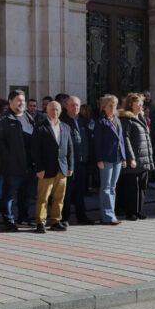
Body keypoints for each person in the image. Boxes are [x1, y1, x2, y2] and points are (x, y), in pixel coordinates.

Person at [0, 90, 36, 231]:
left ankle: (23, 218)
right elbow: (0, 143)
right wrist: (9, 159)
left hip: (29, 165)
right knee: (9, 195)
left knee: (26, 195)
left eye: (23, 101)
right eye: (18, 100)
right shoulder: (3, 119)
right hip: (12, 166)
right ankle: (8, 220)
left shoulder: (28, 117)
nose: (21, 103)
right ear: (10, 102)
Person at [32, 101, 73, 233]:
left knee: (59, 197)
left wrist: (70, 166)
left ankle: (55, 220)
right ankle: (40, 222)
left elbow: (70, 149)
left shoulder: (66, 127)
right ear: (47, 111)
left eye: (57, 110)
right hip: (46, 169)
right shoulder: (40, 127)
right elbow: (35, 150)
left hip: (62, 168)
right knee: (43, 197)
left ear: (60, 112)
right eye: (52, 110)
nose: (54, 112)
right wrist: (39, 168)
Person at [118, 93, 153, 220]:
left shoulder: (141, 117)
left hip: (144, 158)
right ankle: (130, 212)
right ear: (130, 104)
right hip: (135, 158)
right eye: (138, 103)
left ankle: (138, 210)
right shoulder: (126, 119)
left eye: (141, 103)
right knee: (132, 186)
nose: (140, 105)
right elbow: (125, 139)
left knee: (142, 186)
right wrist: (131, 158)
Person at [94, 94, 128, 225]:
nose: (113, 107)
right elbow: (97, 142)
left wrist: (124, 157)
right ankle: (107, 216)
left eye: (115, 104)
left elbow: (121, 141)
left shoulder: (117, 120)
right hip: (106, 158)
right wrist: (99, 159)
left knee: (113, 187)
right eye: (110, 105)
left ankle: (111, 213)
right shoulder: (101, 122)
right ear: (104, 107)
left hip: (117, 157)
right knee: (106, 187)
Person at [60, 96, 93, 225]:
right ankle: (64, 218)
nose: (75, 108)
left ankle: (81, 215)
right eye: (72, 105)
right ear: (66, 106)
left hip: (83, 162)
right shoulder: (63, 121)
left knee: (80, 191)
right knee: (67, 192)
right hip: (68, 163)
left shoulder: (84, 120)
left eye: (77, 105)